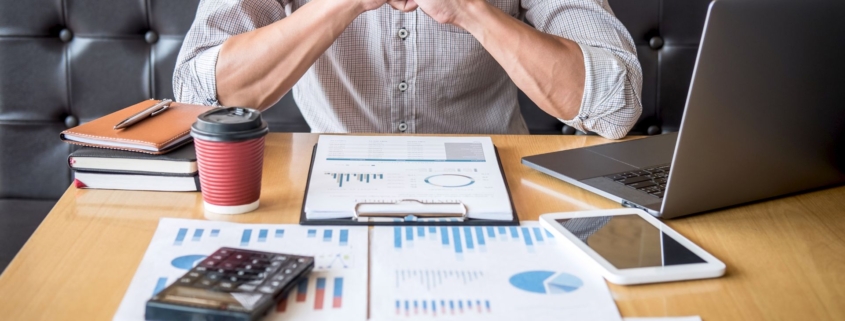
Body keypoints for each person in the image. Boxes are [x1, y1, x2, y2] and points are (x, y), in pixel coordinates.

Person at [174, 0, 642, 139]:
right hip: (331, 182)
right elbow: (200, 93)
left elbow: (613, 108)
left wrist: (471, 10)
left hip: (498, 179)